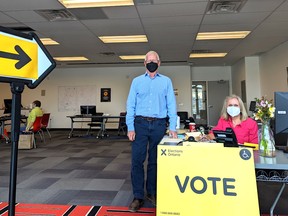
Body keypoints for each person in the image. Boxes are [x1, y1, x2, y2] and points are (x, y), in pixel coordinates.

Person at [126, 51, 178, 212]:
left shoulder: (166, 82)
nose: (152, 63)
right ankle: (138, 196)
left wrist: (173, 127)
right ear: (144, 63)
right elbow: (130, 105)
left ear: (159, 63)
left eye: (154, 60)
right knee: (137, 160)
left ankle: (152, 192)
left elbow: (171, 104)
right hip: (140, 124)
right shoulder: (136, 82)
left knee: (155, 161)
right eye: (149, 60)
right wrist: (130, 127)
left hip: (159, 125)